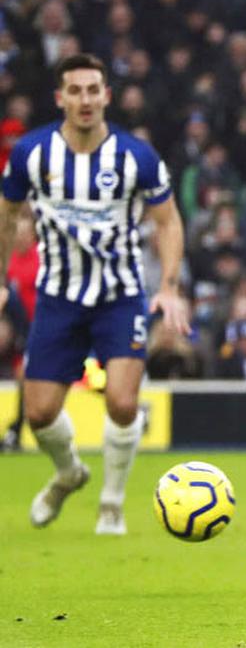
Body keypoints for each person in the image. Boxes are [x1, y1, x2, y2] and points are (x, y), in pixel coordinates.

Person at [0, 54, 191, 535]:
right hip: (58, 296)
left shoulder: (135, 156)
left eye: (93, 90)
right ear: (60, 98)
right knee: (39, 413)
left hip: (120, 295)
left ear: (106, 96)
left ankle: (112, 502)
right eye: (75, 90)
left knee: (123, 403)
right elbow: (5, 216)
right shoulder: (30, 153)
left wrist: (167, 287)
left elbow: (168, 222)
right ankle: (69, 473)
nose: (84, 99)